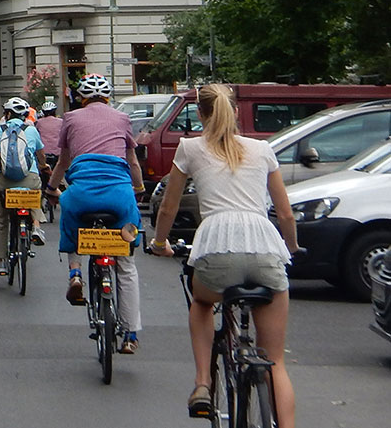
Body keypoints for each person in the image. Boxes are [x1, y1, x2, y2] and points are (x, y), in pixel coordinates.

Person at [150, 84, 300, 426]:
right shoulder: (262, 150)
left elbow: (169, 207)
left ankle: (203, 382)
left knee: (202, 304)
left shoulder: (190, 148)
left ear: (200, 115)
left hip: (216, 250)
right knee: (275, 359)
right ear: (234, 112)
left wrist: (160, 243)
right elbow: (286, 214)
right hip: (265, 250)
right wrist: (290, 247)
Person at [50, 73, 145, 354]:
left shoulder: (70, 119)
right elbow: (133, 162)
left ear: (80, 98)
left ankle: (76, 274)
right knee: (126, 266)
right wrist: (137, 190)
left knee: (72, 223)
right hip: (119, 196)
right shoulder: (122, 119)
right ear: (108, 97)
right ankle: (130, 335)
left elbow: (64, 161)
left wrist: (52, 188)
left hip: (82, 195)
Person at [0, 98, 47, 274]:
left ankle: (1, 262)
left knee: (1, 220)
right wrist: (43, 166)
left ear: (7, 114)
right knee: (35, 194)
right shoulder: (31, 130)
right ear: (25, 115)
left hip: (5, 180)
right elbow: (41, 155)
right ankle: (37, 228)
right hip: (29, 177)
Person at [34, 99, 63, 190]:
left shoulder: (39, 122)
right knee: (58, 171)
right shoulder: (61, 122)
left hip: (43, 153)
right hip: (57, 152)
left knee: (42, 173)